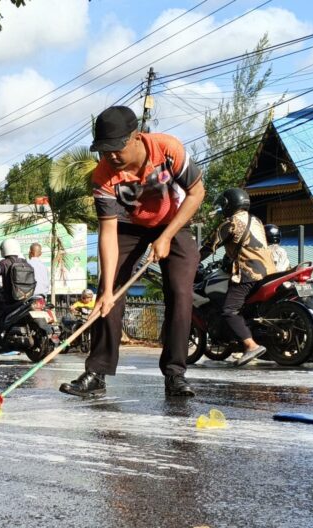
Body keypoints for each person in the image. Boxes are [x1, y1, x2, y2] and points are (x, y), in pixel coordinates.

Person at [61, 105, 204, 398]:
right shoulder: (103, 176)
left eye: (116, 148)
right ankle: (96, 373)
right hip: (128, 225)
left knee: (180, 291)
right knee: (108, 292)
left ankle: (175, 374)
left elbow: (196, 193)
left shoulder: (167, 150)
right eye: (103, 150)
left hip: (173, 222)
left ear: (136, 137)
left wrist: (165, 236)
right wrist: (107, 287)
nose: (110, 156)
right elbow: (109, 233)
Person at [198, 188, 278, 367]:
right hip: (269, 271)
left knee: (229, 310)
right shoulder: (255, 220)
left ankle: (251, 345)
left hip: (248, 272)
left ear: (229, 204)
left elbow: (209, 246)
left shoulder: (230, 223)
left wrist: (190, 261)